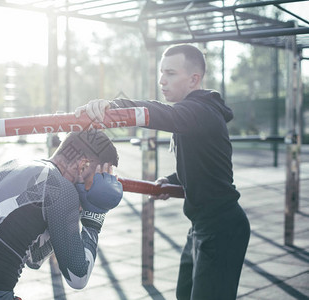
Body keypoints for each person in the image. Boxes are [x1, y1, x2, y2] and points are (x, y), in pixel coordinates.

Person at [75, 44, 250, 300]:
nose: (161, 80)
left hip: (222, 227)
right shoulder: (192, 113)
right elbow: (204, 168)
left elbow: (159, 112)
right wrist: (169, 182)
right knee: (184, 295)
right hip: (202, 224)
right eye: (161, 73)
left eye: (170, 73)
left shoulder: (200, 111)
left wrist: (115, 107)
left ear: (194, 79)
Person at [0, 130, 123, 300]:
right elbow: (78, 277)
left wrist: (77, 210)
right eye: (99, 178)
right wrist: (94, 216)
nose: (95, 187)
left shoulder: (14, 164)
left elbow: (34, 259)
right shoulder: (61, 189)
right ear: (82, 166)